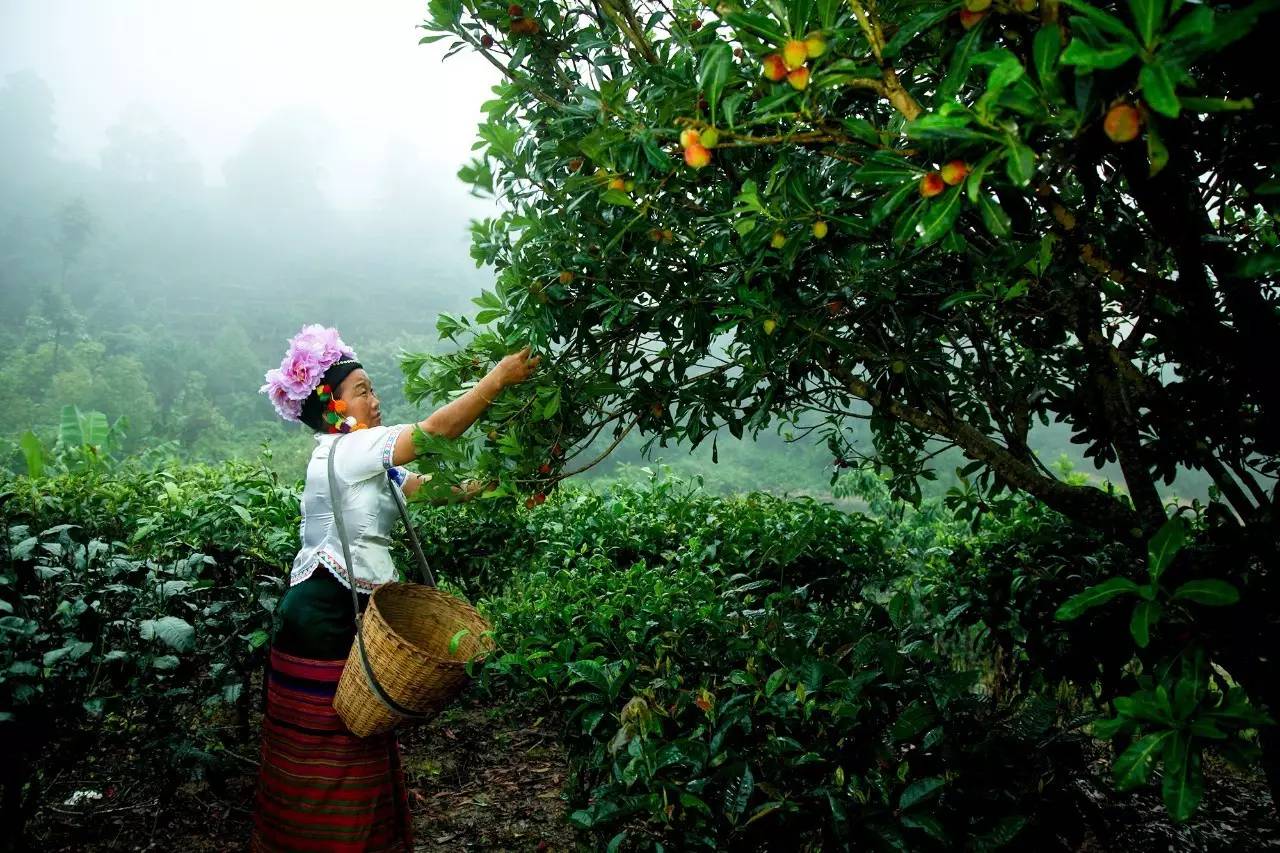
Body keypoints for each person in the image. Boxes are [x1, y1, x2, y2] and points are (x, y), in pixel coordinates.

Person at [249, 324, 539, 852]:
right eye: (361, 390)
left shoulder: (361, 461)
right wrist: (497, 378)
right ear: (332, 406)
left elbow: (437, 490)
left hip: (343, 612)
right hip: (323, 616)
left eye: (372, 388)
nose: (375, 399)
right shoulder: (347, 449)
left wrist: (510, 481)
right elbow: (430, 434)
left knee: (357, 737)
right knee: (339, 747)